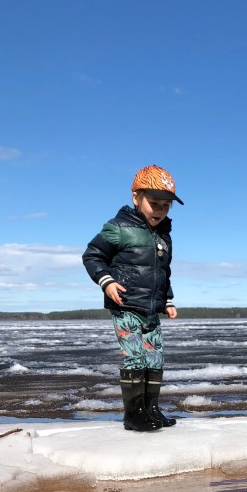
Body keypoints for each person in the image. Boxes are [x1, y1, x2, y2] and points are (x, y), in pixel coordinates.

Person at [83, 165, 183, 432]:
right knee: (135, 358)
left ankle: (151, 409)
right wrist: (107, 282)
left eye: (166, 205)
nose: (160, 210)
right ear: (136, 197)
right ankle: (134, 415)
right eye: (154, 203)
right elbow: (92, 255)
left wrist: (167, 300)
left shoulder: (164, 235)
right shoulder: (118, 227)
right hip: (125, 305)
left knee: (155, 359)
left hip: (152, 310)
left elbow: (163, 272)